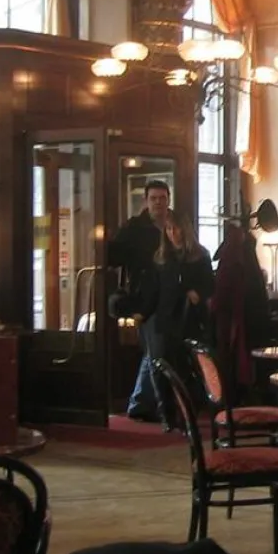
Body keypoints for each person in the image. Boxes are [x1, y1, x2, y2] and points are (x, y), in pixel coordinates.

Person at [133, 210, 213, 428]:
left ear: (185, 229)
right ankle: (167, 416)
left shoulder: (200, 256)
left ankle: (188, 415)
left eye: (175, 228)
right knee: (161, 370)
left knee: (188, 371)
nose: (172, 233)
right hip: (164, 319)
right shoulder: (161, 258)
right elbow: (153, 291)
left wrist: (197, 293)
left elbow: (209, 285)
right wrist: (142, 313)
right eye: (168, 229)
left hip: (189, 320)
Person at [112, 181, 172, 422]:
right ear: (146, 201)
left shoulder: (175, 224)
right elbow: (114, 256)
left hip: (169, 296)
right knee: (156, 351)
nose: (158, 202)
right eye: (154, 198)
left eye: (162, 198)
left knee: (154, 352)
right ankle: (159, 407)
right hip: (146, 299)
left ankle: (139, 403)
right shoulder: (134, 228)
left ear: (168, 199)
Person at [210, 222, 271, 394]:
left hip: (235, 322)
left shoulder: (233, 260)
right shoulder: (244, 261)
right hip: (241, 322)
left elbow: (220, 296)